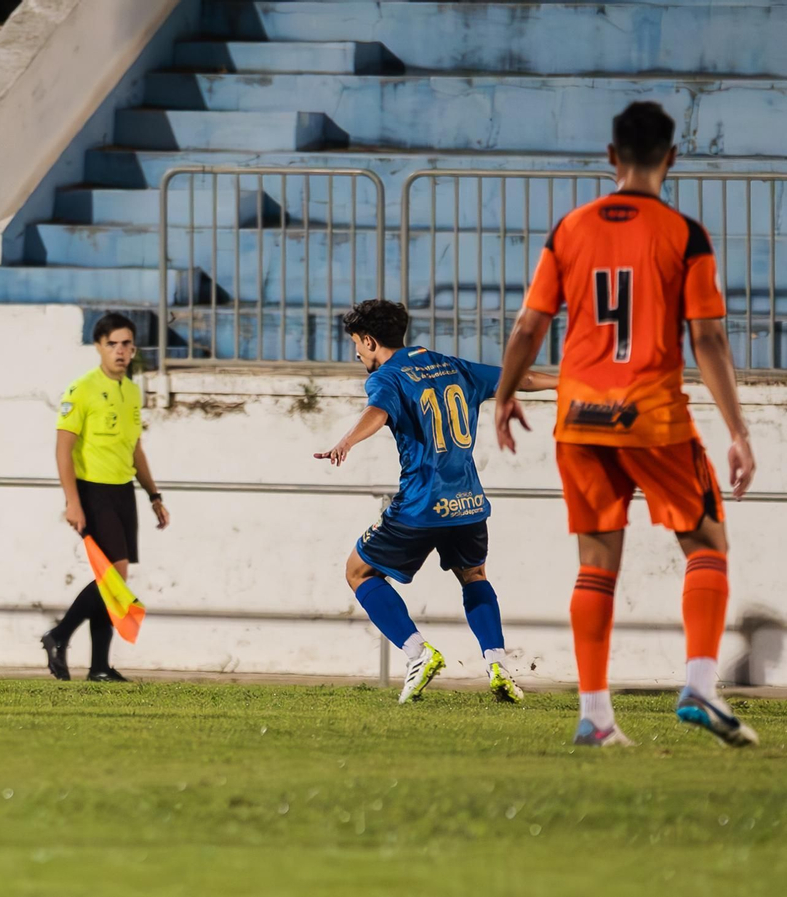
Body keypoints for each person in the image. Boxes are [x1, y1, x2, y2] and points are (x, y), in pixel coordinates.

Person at [494, 101, 757, 748]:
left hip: (578, 418)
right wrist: (739, 432)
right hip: (652, 417)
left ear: (611, 157)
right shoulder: (684, 233)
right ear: (671, 158)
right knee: (707, 543)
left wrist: (503, 396)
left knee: (594, 565)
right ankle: (698, 681)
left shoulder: (570, 228)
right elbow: (711, 340)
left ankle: (595, 714)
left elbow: (530, 326)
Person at [316, 300, 557, 703]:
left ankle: (418, 653)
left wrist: (347, 440)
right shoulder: (453, 366)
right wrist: (570, 383)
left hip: (420, 504)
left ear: (370, 341)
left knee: (359, 572)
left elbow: (377, 411)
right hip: (467, 503)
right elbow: (521, 378)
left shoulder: (387, 378)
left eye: (357, 344)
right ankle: (498, 665)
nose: (356, 353)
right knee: (474, 576)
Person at [40, 313, 169, 682]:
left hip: (123, 491)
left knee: (112, 580)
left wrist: (154, 495)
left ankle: (98, 666)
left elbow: (135, 449)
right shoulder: (81, 389)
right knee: (115, 575)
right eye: (112, 343)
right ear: (98, 346)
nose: (120, 351)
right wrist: (72, 501)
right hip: (92, 490)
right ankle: (58, 635)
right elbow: (63, 449)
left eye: (127, 343)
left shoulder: (131, 390)